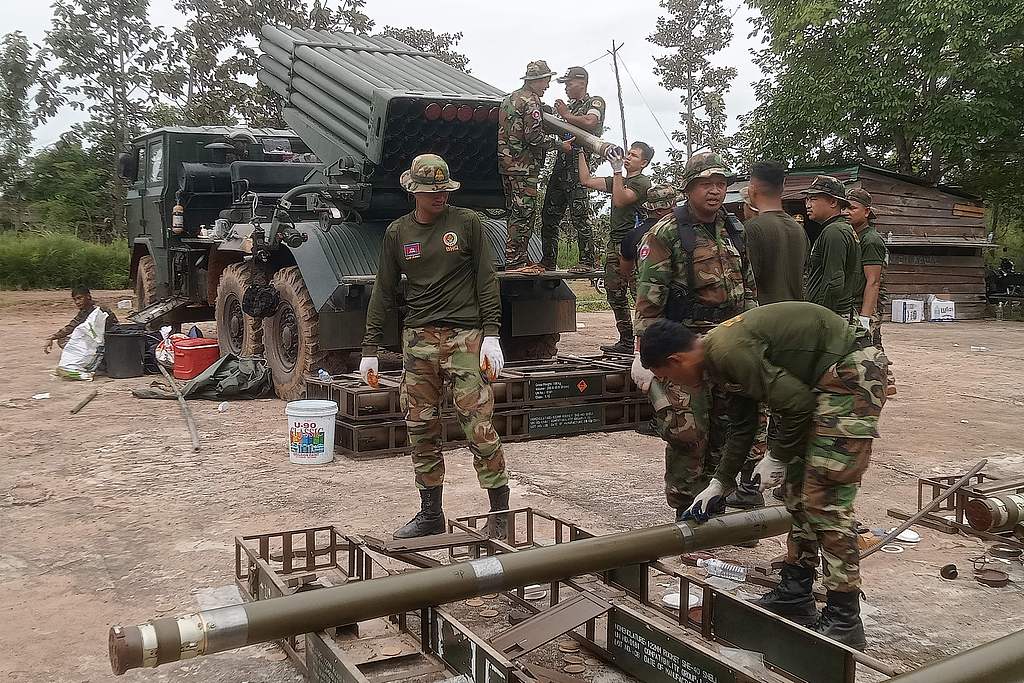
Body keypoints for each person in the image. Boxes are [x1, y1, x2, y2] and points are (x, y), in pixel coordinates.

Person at [638, 303, 888, 651]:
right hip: (819, 384)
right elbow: (743, 426)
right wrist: (719, 483)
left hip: (848, 375)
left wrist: (777, 456)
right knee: (797, 494)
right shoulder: (716, 361)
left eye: (668, 377)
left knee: (824, 500)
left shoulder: (727, 350)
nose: (676, 386)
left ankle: (844, 617)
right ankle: (796, 592)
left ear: (677, 361)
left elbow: (797, 403)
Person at [360, 154, 509, 540]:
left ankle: (501, 513)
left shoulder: (467, 223)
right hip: (418, 341)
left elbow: (486, 279)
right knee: (420, 426)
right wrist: (369, 348)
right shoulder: (398, 233)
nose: (439, 196)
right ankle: (430, 513)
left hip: (466, 338)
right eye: (431, 191)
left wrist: (491, 334)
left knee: (478, 426)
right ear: (413, 191)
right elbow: (384, 292)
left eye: (443, 189)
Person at [629, 151, 757, 520]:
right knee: (687, 431)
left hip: (730, 345)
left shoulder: (735, 229)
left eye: (720, 184)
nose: (715, 191)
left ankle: (719, 504)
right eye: (706, 184)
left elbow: (748, 288)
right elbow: (649, 303)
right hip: (685, 348)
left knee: (728, 426)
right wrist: (646, 356)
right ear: (689, 189)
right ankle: (686, 509)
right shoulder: (666, 233)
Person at [577, 141, 654, 353]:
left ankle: (645, 345)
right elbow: (586, 181)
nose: (628, 157)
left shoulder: (641, 182)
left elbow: (620, 200)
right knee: (615, 294)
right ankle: (627, 341)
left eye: (634, 156)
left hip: (633, 246)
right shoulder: (620, 180)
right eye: (628, 153)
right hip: (615, 244)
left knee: (638, 295)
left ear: (644, 163)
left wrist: (618, 170)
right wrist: (581, 150)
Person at [538, 66, 606, 272]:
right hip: (561, 165)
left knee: (579, 216)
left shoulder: (594, 102)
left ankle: (587, 261)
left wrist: (565, 115)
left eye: (569, 83)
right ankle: (548, 260)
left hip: (579, 166)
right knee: (549, 215)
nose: (566, 87)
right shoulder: (570, 107)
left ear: (582, 83)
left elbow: (590, 122)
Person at [498, 60, 563, 275]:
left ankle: (517, 258)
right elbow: (534, 137)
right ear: (537, 81)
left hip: (507, 164)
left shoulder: (510, 98)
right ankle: (516, 262)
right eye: (546, 81)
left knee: (514, 212)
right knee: (524, 213)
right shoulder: (531, 102)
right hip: (524, 167)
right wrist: (559, 144)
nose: (547, 86)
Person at [744, 161, 809, 304]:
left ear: (752, 189)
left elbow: (748, 282)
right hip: (795, 315)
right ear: (782, 188)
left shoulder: (752, 229)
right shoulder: (798, 229)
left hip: (767, 318)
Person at [803, 175, 860, 317]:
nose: (808, 205)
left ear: (833, 202)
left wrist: (823, 318)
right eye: (807, 199)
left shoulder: (835, 231)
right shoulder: (838, 229)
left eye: (814, 199)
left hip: (831, 316)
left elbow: (833, 281)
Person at [847, 188, 888, 347]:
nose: (846, 212)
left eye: (852, 208)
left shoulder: (870, 240)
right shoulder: (852, 235)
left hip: (866, 302)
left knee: (868, 346)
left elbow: (874, 281)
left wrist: (865, 317)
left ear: (866, 212)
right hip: (855, 300)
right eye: (844, 208)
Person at [618, 184, 678, 288]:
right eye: (674, 206)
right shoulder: (676, 231)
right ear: (659, 210)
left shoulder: (632, 236)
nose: (677, 210)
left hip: (644, 295)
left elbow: (626, 272)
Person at [43, 286, 118, 354]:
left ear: (88, 296)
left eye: (79, 298)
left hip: (108, 339)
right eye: (75, 300)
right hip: (97, 338)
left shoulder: (98, 310)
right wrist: (52, 337)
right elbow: (71, 326)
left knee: (67, 340)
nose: (77, 302)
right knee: (62, 339)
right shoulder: (85, 310)